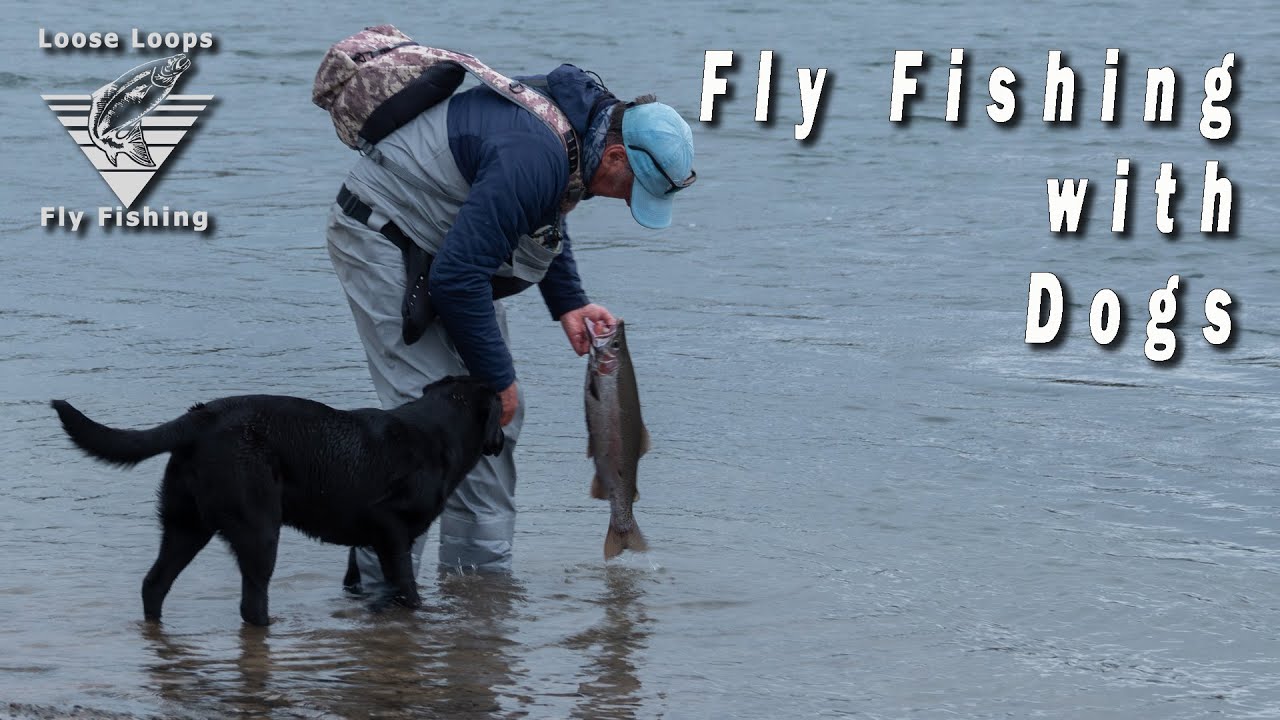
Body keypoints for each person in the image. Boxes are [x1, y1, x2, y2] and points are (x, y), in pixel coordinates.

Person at [324, 62, 696, 587]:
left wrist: (568, 300)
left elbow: (540, 212)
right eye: (631, 190)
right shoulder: (534, 154)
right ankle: (376, 597)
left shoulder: (582, 131)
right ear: (616, 155)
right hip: (384, 234)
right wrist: (499, 380)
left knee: (493, 424)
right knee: (424, 427)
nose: (623, 202)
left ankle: (478, 591)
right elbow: (458, 277)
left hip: (447, 247)